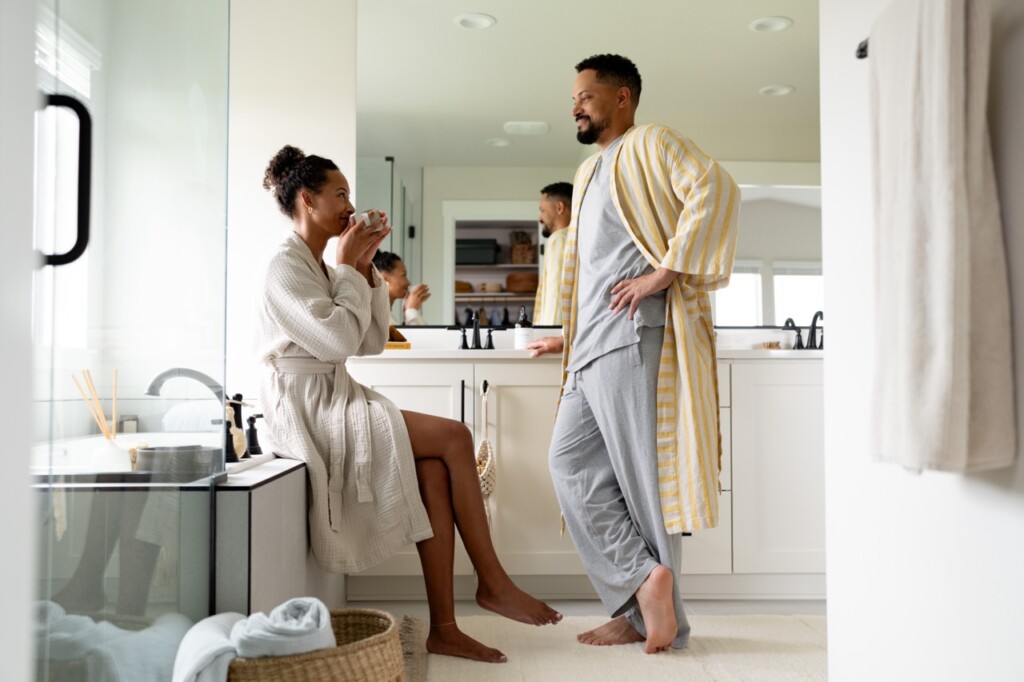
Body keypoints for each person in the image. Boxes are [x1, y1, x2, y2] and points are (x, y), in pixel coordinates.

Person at [257, 145, 561, 664]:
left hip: (334, 393)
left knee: (435, 474)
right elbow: (337, 341)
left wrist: (363, 268)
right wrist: (348, 266)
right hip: (308, 407)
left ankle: (445, 629)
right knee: (455, 436)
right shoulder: (284, 266)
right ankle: (493, 581)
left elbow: (371, 341)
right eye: (340, 194)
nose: (350, 205)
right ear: (307, 200)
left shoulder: (322, 267)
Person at [527, 54, 739, 654]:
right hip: (591, 344)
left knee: (642, 484)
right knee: (569, 466)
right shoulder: (588, 171)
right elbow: (597, 272)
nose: (575, 106)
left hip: (632, 337)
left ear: (621, 97)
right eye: (573, 98)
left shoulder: (653, 142)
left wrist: (665, 271)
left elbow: (716, 187)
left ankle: (657, 617)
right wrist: (569, 334)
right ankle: (642, 586)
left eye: (586, 96)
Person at [533, 182, 573, 325]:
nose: (540, 218)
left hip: (553, 333)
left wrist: (548, 332)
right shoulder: (574, 239)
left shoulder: (559, 239)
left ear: (559, 208)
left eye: (542, 210)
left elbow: (555, 294)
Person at [372, 250, 431, 325]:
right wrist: (411, 311)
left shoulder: (383, 315)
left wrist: (407, 316)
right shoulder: (378, 316)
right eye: (404, 275)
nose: (408, 282)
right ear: (383, 278)